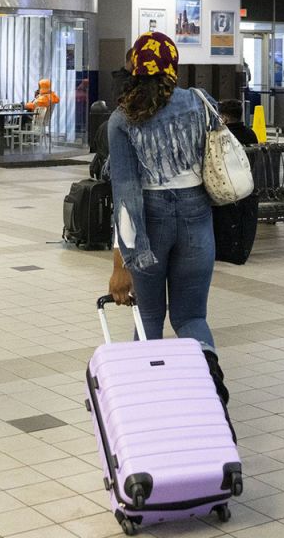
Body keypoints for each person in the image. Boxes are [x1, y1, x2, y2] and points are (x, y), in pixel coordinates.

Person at [106, 32, 221, 363]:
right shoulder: (202, 103)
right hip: (197, 216)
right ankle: (210, 381)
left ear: (136, 70)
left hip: (150, 222)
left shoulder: (122, 119)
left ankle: (150, 393)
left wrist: (124, 262)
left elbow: (126, 194)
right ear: (173, 66)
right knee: (191, 318)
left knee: (149, 317)